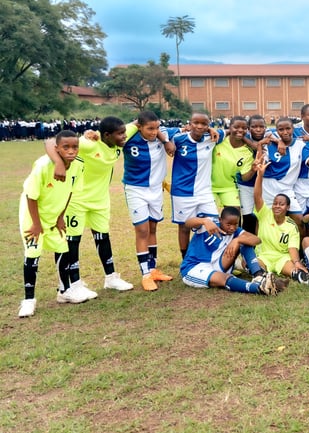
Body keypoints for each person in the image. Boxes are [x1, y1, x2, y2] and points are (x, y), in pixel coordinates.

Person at [46, 117, 134, 298]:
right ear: (107, 135)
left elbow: (140, 123)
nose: (124, 136)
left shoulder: (120, 138)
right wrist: (59, 163)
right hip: (76, 200)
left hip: (100, 201)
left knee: (103, 237)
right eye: (120, 134)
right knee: (72, 241)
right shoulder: (89, 144)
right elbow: (50, 142)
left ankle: (111, 277)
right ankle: (74, 283)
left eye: (124, 132)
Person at [17, 130, 84, 317]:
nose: (71, 151)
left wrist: (61, 217)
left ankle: (65, 291)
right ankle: (29, 300)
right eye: (66, 147)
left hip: (55, 217)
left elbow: (70, 192)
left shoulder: (78, 166)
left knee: (63, 250)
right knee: (33, 254)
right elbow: (31, 196)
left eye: (75, 147)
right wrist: (36, 224)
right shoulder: (43, 165)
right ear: (57, 149)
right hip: (33, 217)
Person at [252, 156, 309, 287]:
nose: (277, 206)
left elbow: (292, 248)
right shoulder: (265, 214)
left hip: (282, 258)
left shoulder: (291, 226)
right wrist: (260, 175)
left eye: (281, 204)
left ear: (288, 207)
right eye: (275, 203)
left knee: (296, 272)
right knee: (254, 266)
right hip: (264, 255)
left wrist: (296, 262)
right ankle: (268, 280)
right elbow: (257, 196)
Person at [122, 111, 176, 292]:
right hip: (136, 189)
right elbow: (113, 133)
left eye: (157, 128)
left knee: (153, 228)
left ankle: (153, 270)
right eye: (149, 128)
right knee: (142, 230)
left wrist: (165, 139)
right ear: (139, 126)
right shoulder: (129, 137)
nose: (154, 132)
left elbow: (190, 128)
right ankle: (145, 275)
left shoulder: (164, 135)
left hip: (156, 189)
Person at [181, 206, 288, 295]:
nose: (232, 228)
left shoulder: (235, 232)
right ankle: (260, 288)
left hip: (219, 264)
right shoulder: (209, 225)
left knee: (246, 241)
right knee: (223, 279)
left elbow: (257, 240)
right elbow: (187, 224)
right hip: (195, 267)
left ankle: (259, 275)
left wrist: (237, 239)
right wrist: (204, 221)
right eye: (228, 224)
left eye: (235, 224)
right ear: (220, 220)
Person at [168, 112, 222, 261]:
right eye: (196, 123)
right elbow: (161, 132)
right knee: (184, 227)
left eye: (204, 124)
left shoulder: (212, 138)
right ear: (189, 124)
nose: (199, 126)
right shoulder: (178, 139)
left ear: (208, 125)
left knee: (213, 223)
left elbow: (234, 131)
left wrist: (212, 130)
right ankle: (185, 259)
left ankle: (209, 257)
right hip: (182, 192)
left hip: (204, 192)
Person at [211, 115, 255, 211]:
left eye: (244, 128)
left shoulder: (247, 152)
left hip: (229, 187)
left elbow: (244, 177)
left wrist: (253, 169)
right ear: (229, 127)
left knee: (234, 215)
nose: (240, 130)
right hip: (208, 186)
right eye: (236, 127)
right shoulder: (218, 141)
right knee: (208, 217)